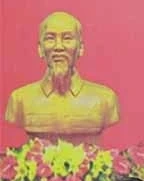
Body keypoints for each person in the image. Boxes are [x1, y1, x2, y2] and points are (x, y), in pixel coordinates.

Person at [4, 11, 120, 142]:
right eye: (50, 38)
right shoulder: (20, 99)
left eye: (67, 38)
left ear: (80, 48)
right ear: (40, 49)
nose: (58, 47)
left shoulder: (104, 99)